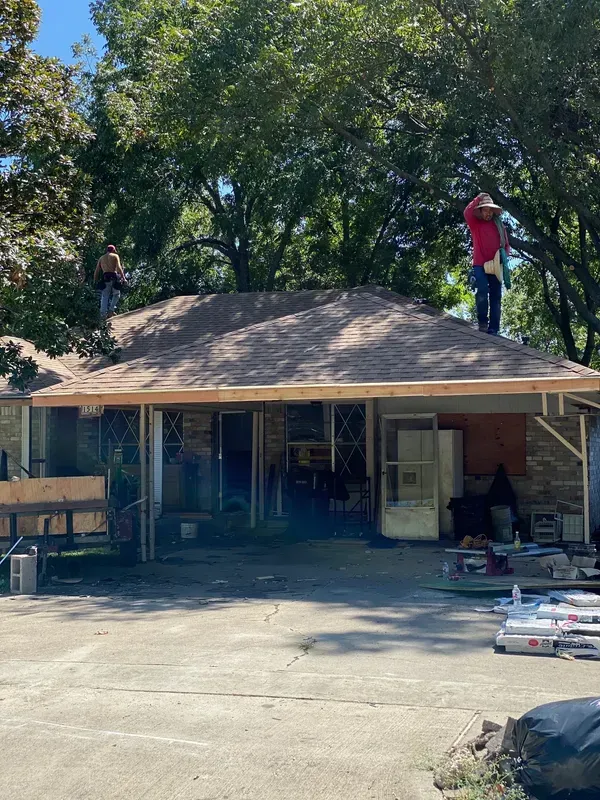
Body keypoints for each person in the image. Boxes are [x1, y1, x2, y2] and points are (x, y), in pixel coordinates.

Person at [464, 192, 509, 335]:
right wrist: (478, 198)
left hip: (496, 265)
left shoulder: (499, 225)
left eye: (490, 210)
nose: (488, 213)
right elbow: (467, 213)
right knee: (482, 290)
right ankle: (483, 321)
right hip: (480, 264)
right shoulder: (475, 224)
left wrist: (504, 257)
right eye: (485, 210)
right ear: (480, 211)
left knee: (496, 296)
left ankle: (494, 328)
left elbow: (506, 245)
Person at [94, 245, 126, 318]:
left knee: (105, 296)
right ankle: (111, 310)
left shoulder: (101, 258)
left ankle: (102, 314)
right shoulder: (115, 256)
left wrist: (95, 280)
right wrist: (123, 278)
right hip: (114, 277)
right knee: (116, 294)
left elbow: (97, 270)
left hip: (105, 278)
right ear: (113, 250)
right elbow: (119, 267)